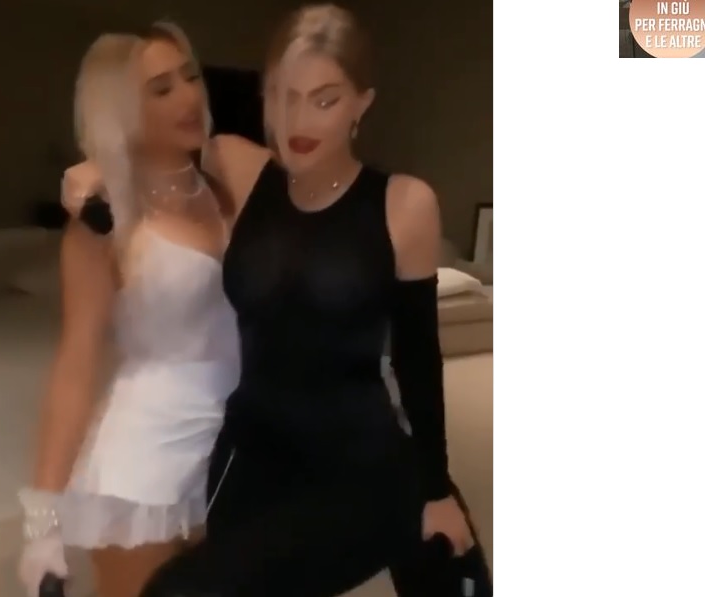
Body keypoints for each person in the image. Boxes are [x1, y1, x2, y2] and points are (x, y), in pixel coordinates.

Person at [61, 4, 493, 596]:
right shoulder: (237, 163)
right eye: (284, 97)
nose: (298, 121)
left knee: (459, 576)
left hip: (362, 458)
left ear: (361, 104)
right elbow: (145, 146)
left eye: (324, 99)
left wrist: (437, 489)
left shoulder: (403, 203)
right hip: (253, 455)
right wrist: (91, 172)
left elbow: (418, 360)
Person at [16, 23, 241, 597]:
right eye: (161, 89)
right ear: (122, 110)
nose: (188, 97)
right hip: (146, 460)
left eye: (190, 77)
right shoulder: (103, 219)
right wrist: (42, 522)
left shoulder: (229, 175)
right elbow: (76, 363)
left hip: (236, 445)